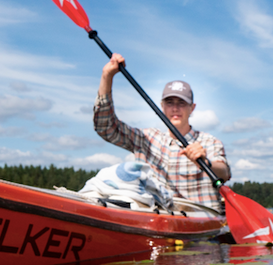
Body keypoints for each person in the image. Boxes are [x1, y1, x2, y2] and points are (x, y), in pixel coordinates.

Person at [93, 53, 231, 212]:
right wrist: (107, 76)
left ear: (192, 108)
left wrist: (206, 162)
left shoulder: (209, 142)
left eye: (182, 103)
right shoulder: (146, 139)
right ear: (162, 106)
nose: (175, 108)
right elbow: (105, 127)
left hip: (200, 222)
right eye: (170, 102)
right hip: (156, 218)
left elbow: (224, 173)